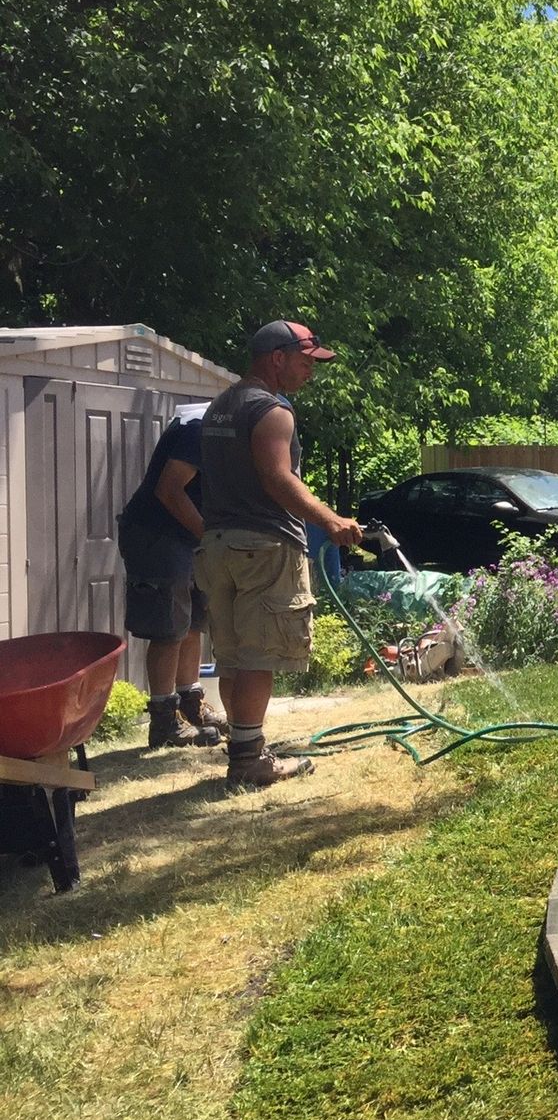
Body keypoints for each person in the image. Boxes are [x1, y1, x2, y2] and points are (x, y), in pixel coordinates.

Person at [195, 320, 362, 789]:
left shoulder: (220, 406)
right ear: (277, 357)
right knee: (260, 656)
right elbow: (277, 477)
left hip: (218, 546)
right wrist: (331, 520)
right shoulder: (272, 410)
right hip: (263, 547)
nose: (310, 370)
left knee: (232, 657)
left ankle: (244, 749)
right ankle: (248, 764)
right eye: (305, 361)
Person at [116, 402, 230, 749]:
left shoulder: (221, 430)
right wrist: (208, 536)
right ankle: (164, 721)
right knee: (169, 628)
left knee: (193, 621)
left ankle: (191, 706)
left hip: (187, 537)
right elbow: (169, 491)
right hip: (156, 535)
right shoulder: (198, 430)